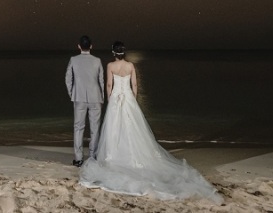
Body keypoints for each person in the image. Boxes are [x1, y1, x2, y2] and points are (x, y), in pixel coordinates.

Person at [79, 42, 223, 204]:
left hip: (116, 99)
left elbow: (109, 84)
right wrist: (132, 98)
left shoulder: (111, 65)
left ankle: (114, 156)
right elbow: (134, 85)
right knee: (133, 129)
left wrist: (110, 97)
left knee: (114, 129)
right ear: (123, 53)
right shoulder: (130, 65)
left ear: (113, 52)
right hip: (128, 98)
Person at [65, 35, 104, 167]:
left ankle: (79, 158)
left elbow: (68, 79)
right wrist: (102, 96)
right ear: (91, 46)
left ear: (79, 46)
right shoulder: (97, 60)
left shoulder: (73, 60)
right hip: (95, 97)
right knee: (95, 128)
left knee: (78, 127)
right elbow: (101, 80)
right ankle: (93, 156)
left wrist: (72, 93)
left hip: (79, 97)